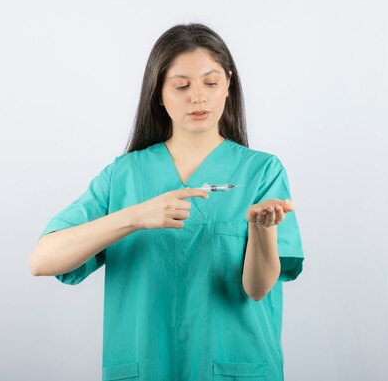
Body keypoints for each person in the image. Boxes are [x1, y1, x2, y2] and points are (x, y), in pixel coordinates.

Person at [30, 23, 304, 381]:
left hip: (235, 366)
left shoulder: (261, 171)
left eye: (211, 82)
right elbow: (42, 260)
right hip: (147, 367)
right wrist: (134, 217)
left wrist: (262, 230)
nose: (198, 97)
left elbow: (257, 288)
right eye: (181, 86)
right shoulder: (124, 176)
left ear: (228, 85)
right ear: (158, 93)